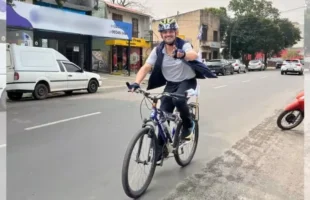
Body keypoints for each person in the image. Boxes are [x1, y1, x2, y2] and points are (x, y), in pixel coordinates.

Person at [127, 18, 217, 161]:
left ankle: (188, 125)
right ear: (161, 34)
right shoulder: (158, 50)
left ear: (176, 32)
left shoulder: (183, 44)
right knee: (162, 114)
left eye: (171, 31)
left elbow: (193, 55)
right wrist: (136, 83)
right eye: (165, 32)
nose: (168, 34)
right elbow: (146, 67)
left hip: (187, 81)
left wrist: (182, 54)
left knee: (178, 100)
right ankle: (160, 149)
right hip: (171, 83)